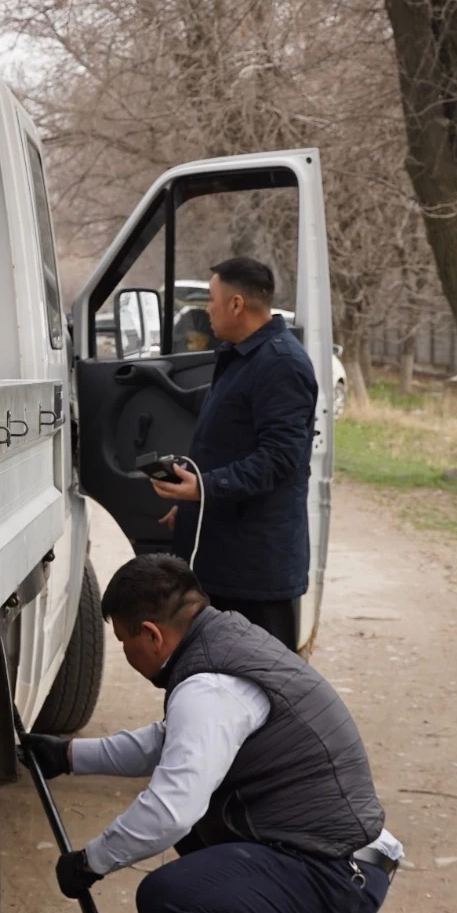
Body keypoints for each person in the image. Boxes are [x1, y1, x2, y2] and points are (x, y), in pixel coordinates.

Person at [25, 554, 400, 913]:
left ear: (152, 634)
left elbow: (170, 812)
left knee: (167, 900)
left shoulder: (210, 687)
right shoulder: (226, 641)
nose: (126, 653)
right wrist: (69, 755)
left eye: (123, 641)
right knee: (201, 835)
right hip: (332, 856)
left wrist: (90, 862)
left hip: (338, 878)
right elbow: (171, 742)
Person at [149, 256, 317, 651]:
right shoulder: (244, 356)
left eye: (211, 299)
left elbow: (279, 458)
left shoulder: (281, 364)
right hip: (226, 558)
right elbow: (232, 444)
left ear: (237, 304)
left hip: (256, 573)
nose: (207, 309)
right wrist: (192, 503)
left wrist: (204, 488)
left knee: (257, 677)